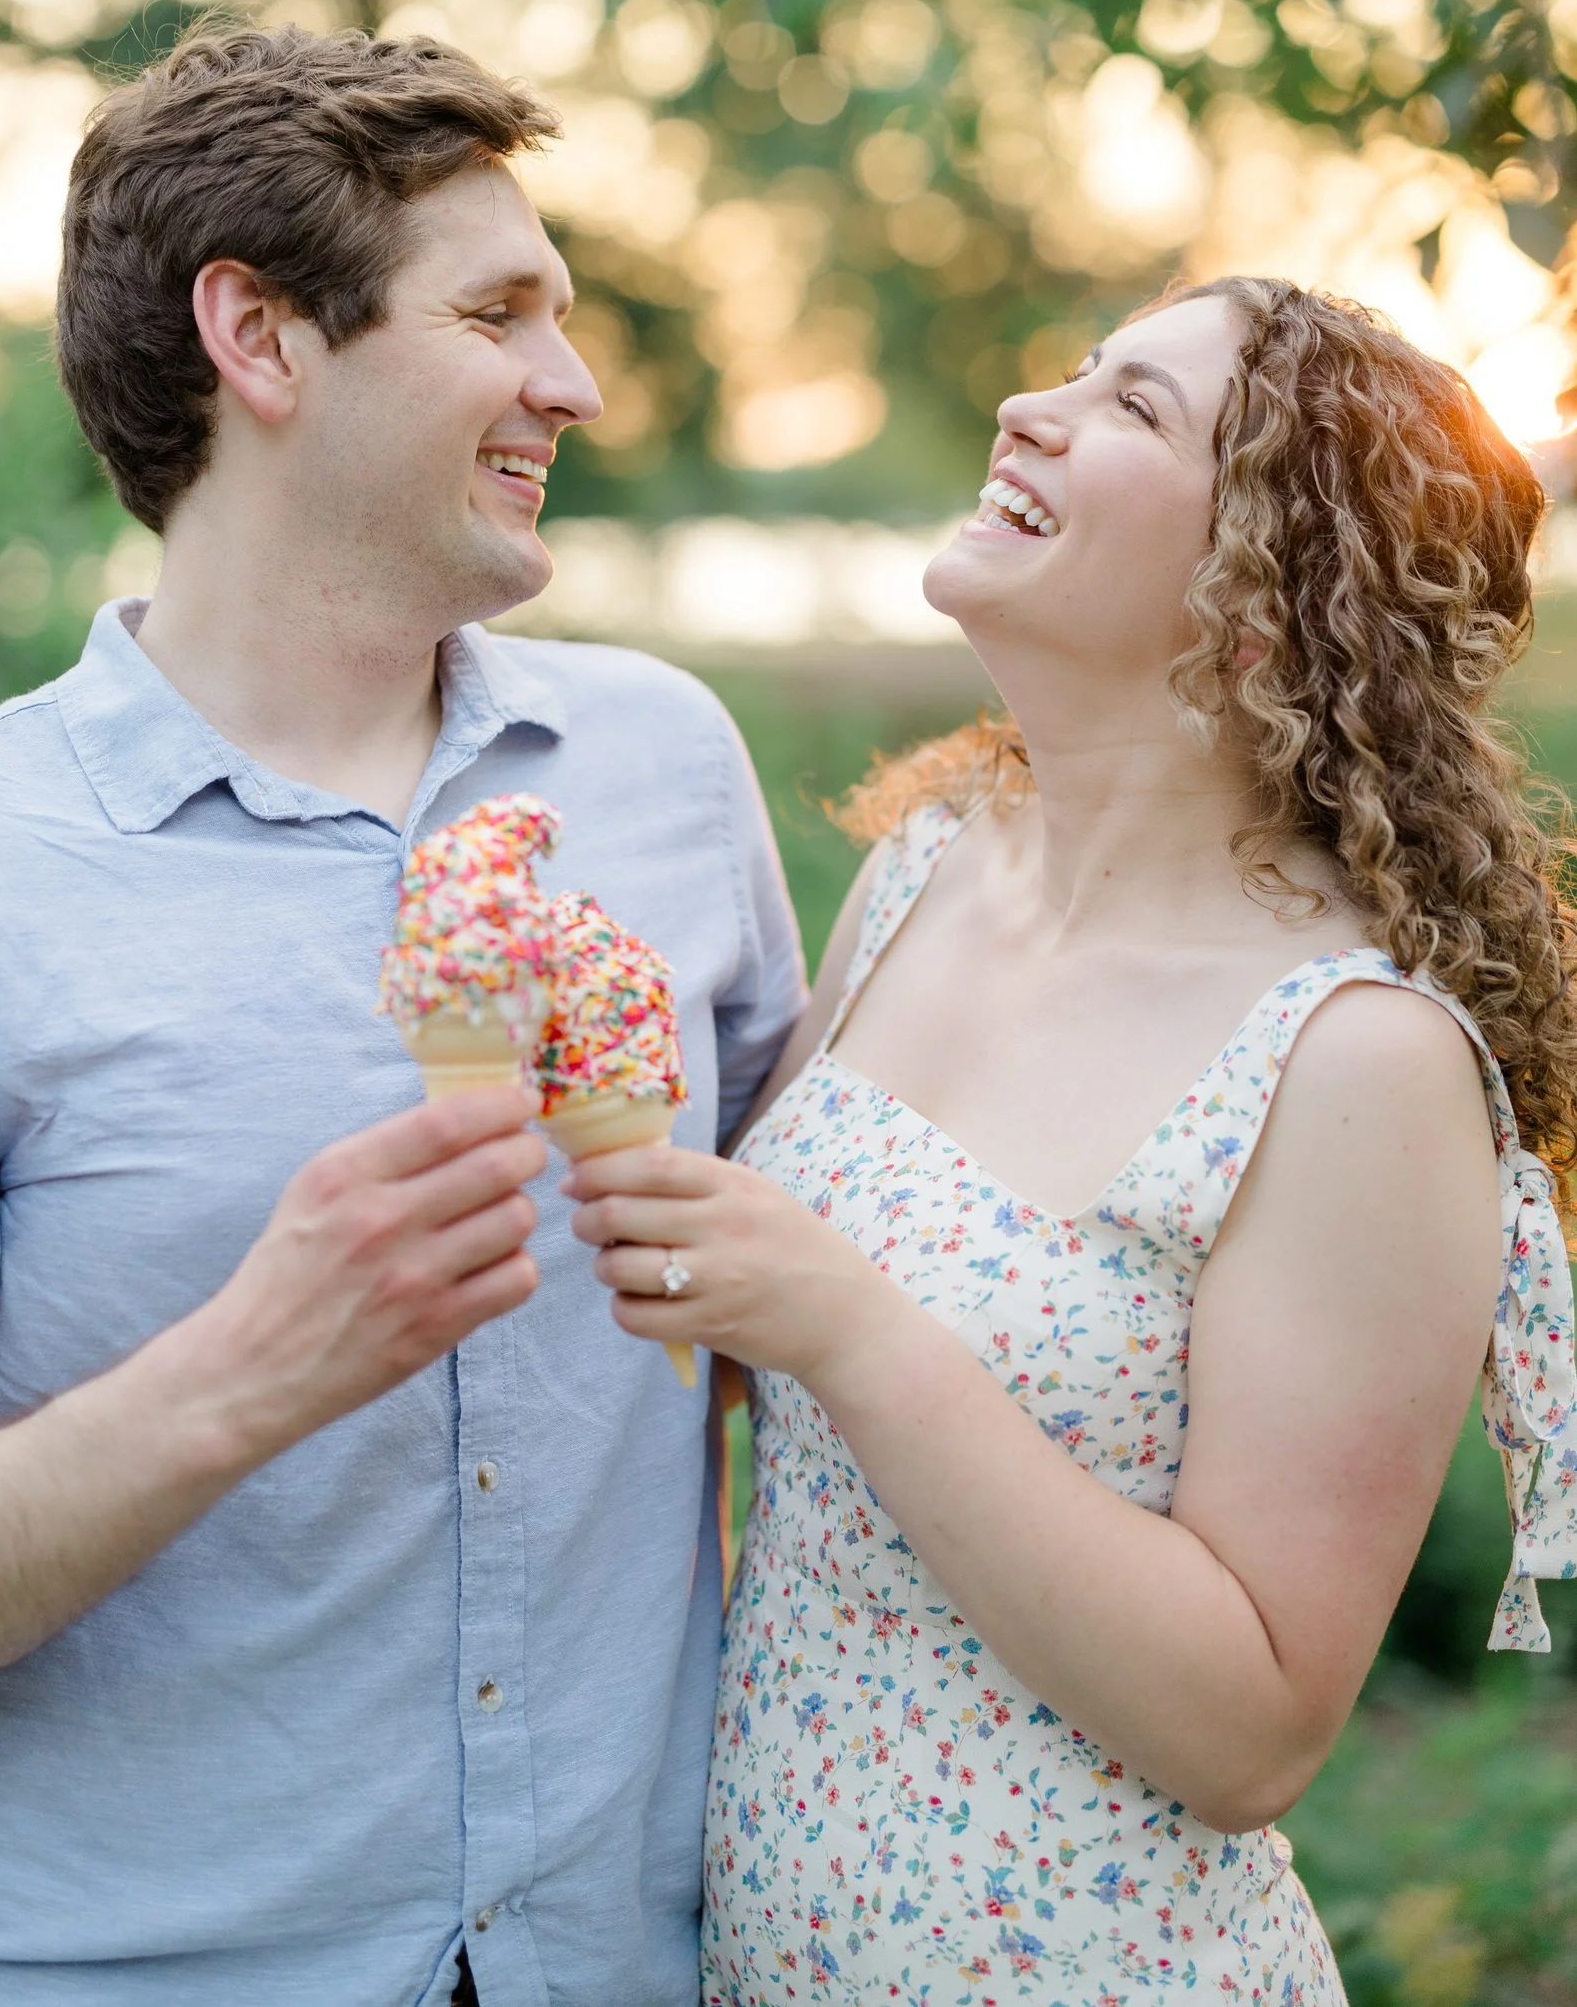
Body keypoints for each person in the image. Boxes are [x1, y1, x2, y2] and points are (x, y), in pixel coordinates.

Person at [0, 24, 804, 2007]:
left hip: (626, 1963)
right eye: (496, 314)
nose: (571, 382)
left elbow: (782, 1337)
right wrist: (246, 1369)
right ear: (260, 338)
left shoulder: (665, 762)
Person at [566, 275, 1577, 2003]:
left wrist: (849, 1328)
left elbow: (1250, 1732)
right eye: (1077, 373)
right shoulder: (925, 872)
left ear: (1263, 598)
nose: (1026, 410)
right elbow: (723, 1356)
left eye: (1134, 408)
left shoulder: (1352, 1056)